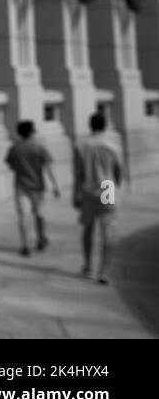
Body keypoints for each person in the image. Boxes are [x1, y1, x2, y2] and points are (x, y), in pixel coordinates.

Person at [73, 112, 123, 284]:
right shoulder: (112, 145)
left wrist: (75, 193)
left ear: (90, 125)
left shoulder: (81, 145)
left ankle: (88, 266)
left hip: (88, 187)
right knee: (107, 231)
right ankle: (104, 272)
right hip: (107, 186)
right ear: (105, 125)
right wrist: (117, 185)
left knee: (88, 229)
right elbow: (118, 171)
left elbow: (77, 173)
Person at [5, 119, 59, 256]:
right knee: (39, 214)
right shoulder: (39, 148)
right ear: (31, 132)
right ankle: (41, 238)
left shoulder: (14, 148)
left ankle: (25, 245)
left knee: (23, 216)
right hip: (37, 187)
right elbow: (48, 168)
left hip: (21, 186)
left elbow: (11, 166)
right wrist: (55, 185)